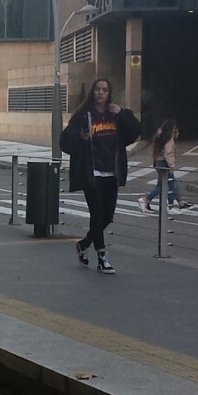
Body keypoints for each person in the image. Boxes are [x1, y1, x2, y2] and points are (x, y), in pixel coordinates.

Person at [59, 77, 141, 274]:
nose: (101, 93)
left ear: (109, 92)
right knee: (97, 214)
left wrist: (122, 113)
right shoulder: (82, 115)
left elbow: (135, 132)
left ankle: (84, 243)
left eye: (105, 89)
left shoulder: (116, 115)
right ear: (93, 92)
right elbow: (65, 142)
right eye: (97, 89)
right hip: (91, 172)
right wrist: (81, 138)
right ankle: (102, 257)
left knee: (107, 216)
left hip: (111, 171)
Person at [138, 119, 192, 214]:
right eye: (174, 128)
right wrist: (171, 166)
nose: (176, 130)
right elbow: (168, 154)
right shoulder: (169, 140)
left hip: (159, 162)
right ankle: (167, 205)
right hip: (164, 163)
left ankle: (180, 203)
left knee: (165, 184)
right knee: (169, 185)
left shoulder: (161, 137)